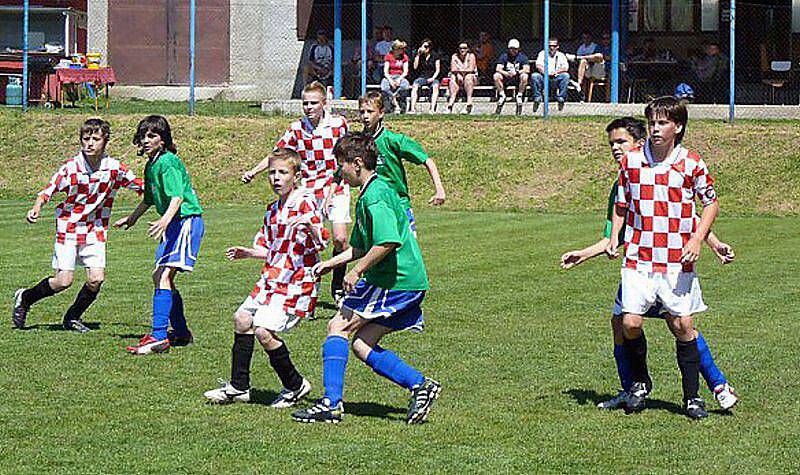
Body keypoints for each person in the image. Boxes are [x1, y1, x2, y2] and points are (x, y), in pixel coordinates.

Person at [560, 116, 738, 412]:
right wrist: (585, 253)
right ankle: (633, 387)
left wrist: (713, 243)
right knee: (623, 323)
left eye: (622, 142)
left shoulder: (660, 168)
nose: (616, 149)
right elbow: (612, 237)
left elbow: (686, 216)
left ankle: (716, 385)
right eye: (611, 144)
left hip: (666, 263)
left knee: (681, 324)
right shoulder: (625, 179)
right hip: (639, 264)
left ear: (640, 144)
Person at [291, 133, 441, 425]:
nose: (339, 170)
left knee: (338, 325)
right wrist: (329, 264)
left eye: (341, 164)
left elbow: (387, 242)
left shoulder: (375, 195)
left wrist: (357, 270)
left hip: (395, 281)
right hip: (405, 281)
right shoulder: (372, 191)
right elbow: (361, 246)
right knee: (362, 344)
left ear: (357, 163)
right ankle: (421, 386)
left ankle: (331, 405)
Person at [606, 97, 720, 419]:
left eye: (662, 123)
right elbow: (622, 204)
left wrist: (698, 239)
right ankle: (640, 384)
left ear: (678, 127)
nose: (655, 129)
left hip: (676, 259)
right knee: (629, 322)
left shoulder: (692, 163)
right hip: (638, 256)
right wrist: (615, 235)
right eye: (652, 123)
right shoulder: (630, 162)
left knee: (683, 325)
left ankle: (692, 398)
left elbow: (711, 204)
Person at [204, 149, 327, 407]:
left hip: (296, 280)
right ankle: (239, 387)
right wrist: (247, 252)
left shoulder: (305, 201)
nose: (275, 178)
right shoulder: (272, 210)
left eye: (283, 172)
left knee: (263, 330)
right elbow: (269, 248)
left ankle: (295, 385)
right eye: (272, 173)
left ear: (297, 176)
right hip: (271, 278)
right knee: (242, 319)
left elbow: (322, 242)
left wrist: (311, 230)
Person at [13, 118, 143, 333]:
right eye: (86, 139)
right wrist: (36, 207)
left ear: (105, 141)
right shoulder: (71, 168)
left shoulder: (114, 168)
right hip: (69, 227)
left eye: (95, 139)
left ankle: (72, 317)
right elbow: (49, 189)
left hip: (96, 229)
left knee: (96, 279)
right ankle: (25, 297)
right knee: (64, 281)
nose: (90, 143)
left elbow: (139, 185)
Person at [242, 81, 351, 302]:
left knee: (340, 239)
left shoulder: (338, 124)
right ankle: (309, 288)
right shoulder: (296, 128)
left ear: (324, 103)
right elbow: (276, 154)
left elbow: (348, 151)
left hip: (335, 186)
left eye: (313, 103)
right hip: (309, 191)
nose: (309, 107)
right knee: (309, 241)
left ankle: (338, 285)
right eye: (305, 103)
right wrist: (254, 171)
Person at [114, 115, 204, 355]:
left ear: (163, 140)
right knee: (161, 276)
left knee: (163, 275)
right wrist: (132, 218)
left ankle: (159, 336)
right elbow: (149, 199)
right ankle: (181, 332)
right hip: (173, 224)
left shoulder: (168, 162)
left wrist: (164, 220)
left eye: (152, 135)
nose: (145, 140)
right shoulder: (151, 164)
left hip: (185, 221)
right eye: (143, 135)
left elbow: (177, 197)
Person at [359, 91, 447, 229]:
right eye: (362, 112)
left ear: (381, 113)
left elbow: (427, 160)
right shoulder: (358, 143)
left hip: (398, 205)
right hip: (372, 205)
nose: (365, 116)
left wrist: (439, 189)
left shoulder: (393, 140)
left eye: (370, 112)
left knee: (407, 248)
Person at [533, 37, 570, 111]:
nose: (552, 47)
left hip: (556, 77)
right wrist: (546, 73)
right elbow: (538, 65)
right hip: (544, 77)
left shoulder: (561, 55)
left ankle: (561, 97)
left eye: (554, 46)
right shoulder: (542, 53)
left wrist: (556, 72)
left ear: (558, 46)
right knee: (535, 76)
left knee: (566, 76)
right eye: (550, 46)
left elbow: (565, 68)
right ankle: (537, 97)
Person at [493, 38, 530, 114]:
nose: (513, 50)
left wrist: (517, 72)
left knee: (525, 76)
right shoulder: (504, 56)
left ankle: (519, 95)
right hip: (506, 78)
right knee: (496, 75)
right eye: (511, 49)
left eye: (515, 49)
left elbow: (527, 69)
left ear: (519, 49)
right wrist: (505, 73)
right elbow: (498, 68)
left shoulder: (523, 57)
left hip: (517, 78)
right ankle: (502, 95)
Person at [409, 39, 441, 114]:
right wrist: (417, 56)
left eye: (427, 46)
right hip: (423, 77)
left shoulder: (435, 56)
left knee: (435, 86)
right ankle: (413, 108)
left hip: (433, 76)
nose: (425, 48)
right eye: (424, 46)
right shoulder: (420, 56)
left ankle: (432, 109)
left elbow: (438, 69)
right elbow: (415, 67)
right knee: (415, 85)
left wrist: (433, 78)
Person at [447, 41, 478, 114]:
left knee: (468, 77)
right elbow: (453, 69)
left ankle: (469, 101)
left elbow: (471, 69)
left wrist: (460, 72)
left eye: (464, 48)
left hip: (471, 78)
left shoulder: (471, 56)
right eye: (460, 48)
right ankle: (451, 103)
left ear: (468, 49)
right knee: (453, 77)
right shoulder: (454, 56)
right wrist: (458, 74)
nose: (462, 50)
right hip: (458, 78)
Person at [381, 40, 411, 113]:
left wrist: (399, 79)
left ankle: (394, 96)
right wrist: (390, 80)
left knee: (405, 86)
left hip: (400, 76)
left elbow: (405, 71)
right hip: (389, 76)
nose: (402, 50)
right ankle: (394, 99)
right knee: (384, 87)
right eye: (401, 48)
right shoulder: (388, 56)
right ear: (395, 49)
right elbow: (385, 71)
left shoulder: (405, 57)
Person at [574, 31, 605, 98]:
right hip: (586, 70)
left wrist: (583, 57)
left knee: (596, 56)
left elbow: (599, 57)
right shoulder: (581, 47)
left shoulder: (595, 47)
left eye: (587, 38)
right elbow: (577, 59)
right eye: (584, 38)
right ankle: (579, 83)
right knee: (583, 61)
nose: (585, 39)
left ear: (591, 38)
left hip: (597, 69)